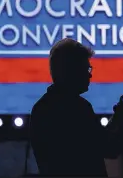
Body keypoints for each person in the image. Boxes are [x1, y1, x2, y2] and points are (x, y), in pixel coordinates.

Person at [29, 38, 110, 176]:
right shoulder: (79, 108)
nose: (89, 74)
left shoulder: (41, 108)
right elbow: (106, 148)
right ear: (72, 70)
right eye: (86, 68)